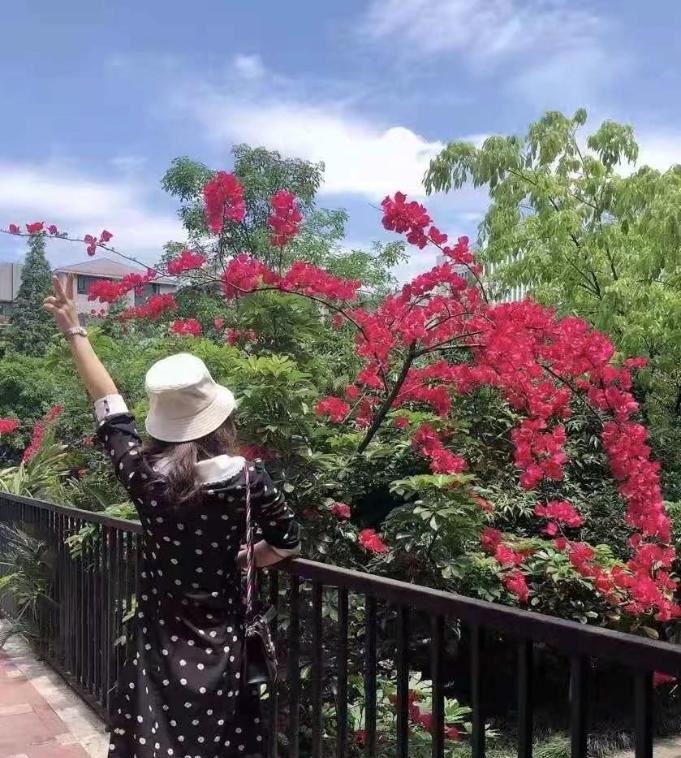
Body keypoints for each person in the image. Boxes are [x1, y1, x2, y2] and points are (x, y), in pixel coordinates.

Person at [44, 274, 301, 758]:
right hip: (222, 647)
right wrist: (243, 558)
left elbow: (110, 411)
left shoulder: (143, 477)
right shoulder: (248, 479)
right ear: (218, 416)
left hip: (160, 644)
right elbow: (288, 542)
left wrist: (75, 332)